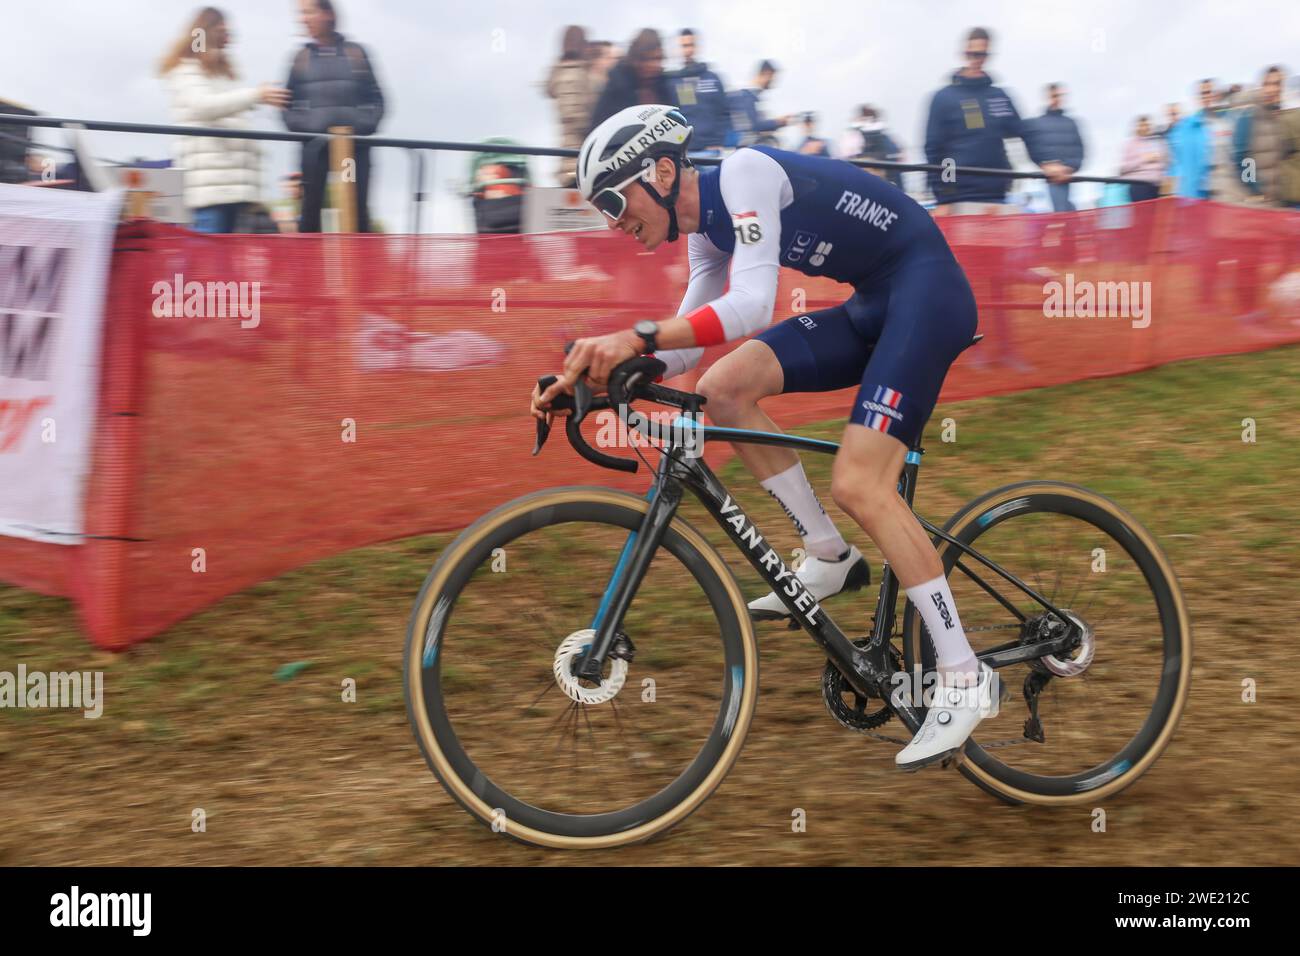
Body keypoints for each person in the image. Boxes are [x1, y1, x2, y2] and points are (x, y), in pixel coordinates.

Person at [534, 106, 994, 770]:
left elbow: (751, 307)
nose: (612, 219)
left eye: (613, 198)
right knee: (724, 387)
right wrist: (597, 375)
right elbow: (693, 342)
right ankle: (829, 554)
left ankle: (962, 674)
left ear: (662, 171)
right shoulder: (702, 232)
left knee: (860, 482)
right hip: (875, 302)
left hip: (929, 293)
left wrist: (632, 339)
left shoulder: (744, 174)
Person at [160, 7, 289, 233]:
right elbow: (203, 106)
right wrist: (256, 95)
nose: (228, 40)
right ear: (206, 33)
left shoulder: (222, 76)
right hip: (211, 191)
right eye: (222, 33)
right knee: (208, 262)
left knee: (223, 264)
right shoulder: (186, 70)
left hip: (233, 188)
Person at [282, 0, 385, 233]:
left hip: (353, 150)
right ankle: (310, 269)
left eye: (308, 12)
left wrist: (360, 128)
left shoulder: (356, 53)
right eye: (301, 14)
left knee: (356, 209)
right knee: (310, 211)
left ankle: (360, 267)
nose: (303, 19)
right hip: (315, 150)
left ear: (327, 14)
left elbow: (378, 100)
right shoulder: (300, 58)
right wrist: (308, 129)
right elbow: (286, 106)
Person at [588, 29, 675, 132]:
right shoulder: (618, 87)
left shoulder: (662, 87)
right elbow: (598, 128)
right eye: (650, 59)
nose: (656, 65)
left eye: (659, 59)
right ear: (638, 59)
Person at [545, 26, 599, 188]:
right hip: (575, 159)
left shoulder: (577, 72)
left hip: (578, 158)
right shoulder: (571, 75)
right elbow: (576, 116)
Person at [668, 29, 731, 154]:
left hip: (711, 150)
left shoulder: (712, 78)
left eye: (691, 45)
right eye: (684, 46)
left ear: (696, 47)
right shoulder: (674, 81)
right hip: (684, 151)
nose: (688, 50)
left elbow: (724, 113)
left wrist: (718, 142)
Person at [1024, 83, 1085, 211]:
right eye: (1054, 95)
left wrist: (1069, 168)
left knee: (1065, 211)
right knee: (1060, 211)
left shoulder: (1071, 123)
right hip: (1049, 177)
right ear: (1047, 97)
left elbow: (1080, 149)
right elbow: (1033, 148)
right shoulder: (1038, 123)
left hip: (1068, 176)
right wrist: (1047, 166)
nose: (1057, 99)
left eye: (1059, 96)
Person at [1168, 79, 1218, 199]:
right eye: (1203, 93)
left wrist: (1249, 183)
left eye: (1209, 92)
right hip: (1194, 196)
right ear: (1197, 97)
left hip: (1225, 195)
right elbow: (1175, 165)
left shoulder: (1229, 121)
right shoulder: (1183, 127)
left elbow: (1245, 157)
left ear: (1216, 94)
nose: (1207, 96)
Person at [727, 60, 792, 148]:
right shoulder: (746, 96)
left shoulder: (752, 97)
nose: (773, 82)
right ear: (766, 74)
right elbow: (754, 125)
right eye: (772, 77)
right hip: (738, 149)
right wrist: (778, 122)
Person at [1118, 116, 1168, 203]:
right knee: (1143, 215)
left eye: (1147, 125)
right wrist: (1144, 159)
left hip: (1158, 185)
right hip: (1139, 185)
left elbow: (1166, 162)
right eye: (1142, 125)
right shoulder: (1130, 144)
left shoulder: (1159, 142)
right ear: (1136, 128)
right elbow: (1124, 168)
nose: (1145, 128)